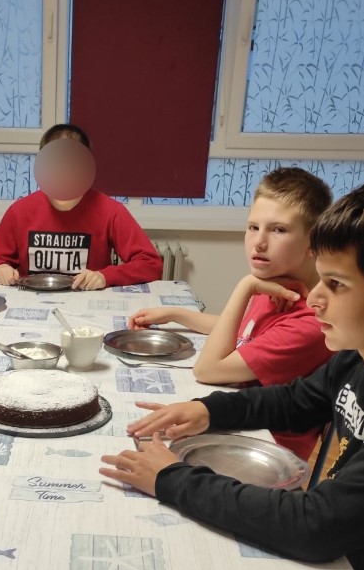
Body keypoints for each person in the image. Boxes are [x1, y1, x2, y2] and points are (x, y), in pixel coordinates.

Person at [100, 174, 364, 570]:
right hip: (333, 561)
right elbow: (293, 400)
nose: (314, 298)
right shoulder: (363, 354)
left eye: (336, 284)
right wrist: (206, 409)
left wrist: (171, 479)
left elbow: (316, 524)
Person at [128, 167, 334, 459]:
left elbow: (208, 369)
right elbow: (242, 332)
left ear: (313, 243)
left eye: (278, 230)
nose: (259, 242)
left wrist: (246, 286)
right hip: (233, 417)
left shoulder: (311, 323)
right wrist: (176, 314)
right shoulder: (279, 284)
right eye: (253, 227)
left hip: (265, 447)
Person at [0, 123, 163, 289]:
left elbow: (151, 264)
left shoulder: (111, 211)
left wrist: (105, 276)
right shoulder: (19, 211)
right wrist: (1, 268)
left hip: (88, 303)